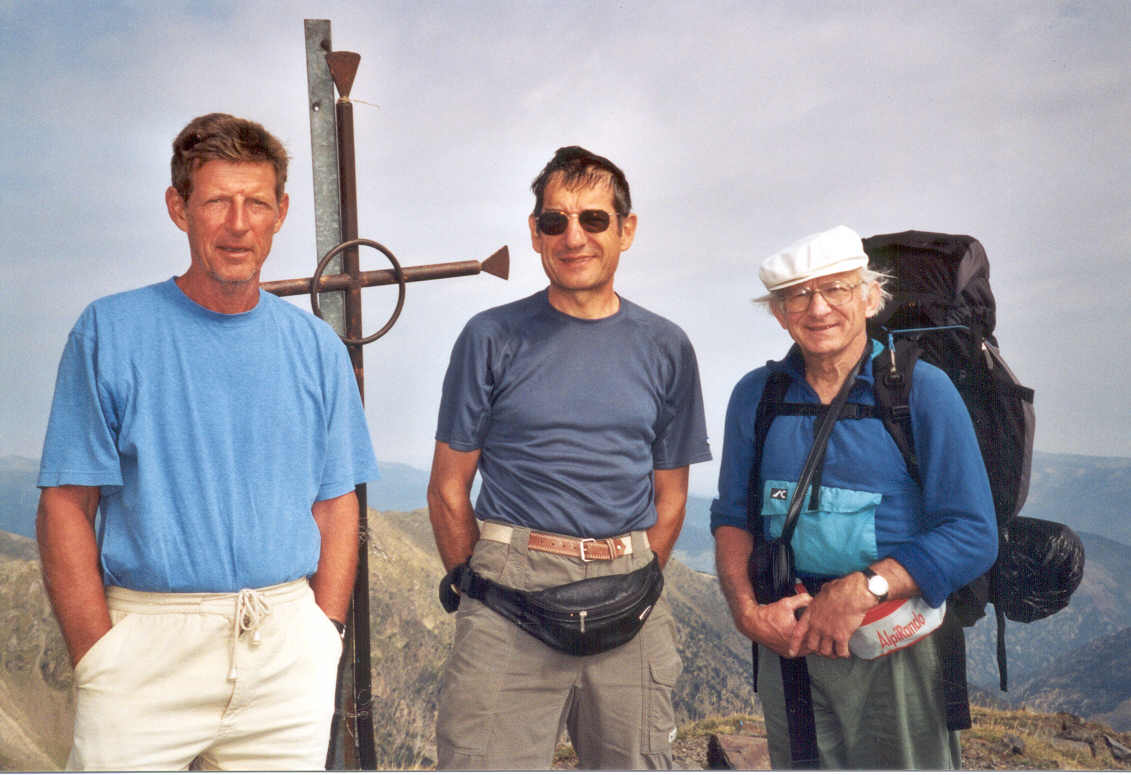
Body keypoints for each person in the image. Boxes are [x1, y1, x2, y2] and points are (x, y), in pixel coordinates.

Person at [35, 113, 379, 771]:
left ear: (281, 213)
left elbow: (336, 503)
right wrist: (97, 656)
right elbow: (65, 506)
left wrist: (323, 635)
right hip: (145, 650)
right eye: (218, 201)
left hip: (287, 651)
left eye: (257, 203)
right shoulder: (109, 331)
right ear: (179, 208)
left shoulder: (315, 348)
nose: (238, 224)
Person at [427, 145, 712, 769]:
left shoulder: (666, 347)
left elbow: (671, 495)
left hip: (630, 590)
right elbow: (448, 487)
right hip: (509, 590)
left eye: (594, 219)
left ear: (626, 230)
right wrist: (480, 590)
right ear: (535, 233)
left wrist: (638, 579)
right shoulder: (489, 337)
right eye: (555, 221)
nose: (573, 237)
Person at [710, 225, 997, 769]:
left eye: (836, 289)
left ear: (870, 297)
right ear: (780, 313)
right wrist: (747, 613)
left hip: (895, 639)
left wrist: (864, 588)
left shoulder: (921, 391)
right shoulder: (757, 396)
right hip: (789, 641)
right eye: (799, 295)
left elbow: (973, 532)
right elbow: (732, 518)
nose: (818, 308)